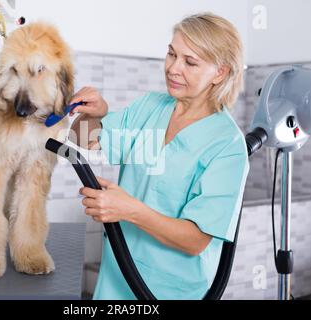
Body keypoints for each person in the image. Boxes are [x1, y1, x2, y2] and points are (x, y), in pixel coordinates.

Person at [67, 12, 249, 300]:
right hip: (116, 279)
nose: (173, 68)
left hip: (172, 290)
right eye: (171, 54)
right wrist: (97, 112)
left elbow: (196, 240)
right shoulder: (151, 107)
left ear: (220, 72)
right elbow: (80, 138)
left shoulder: (227, 145)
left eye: (190, 62)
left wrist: (128, 210)